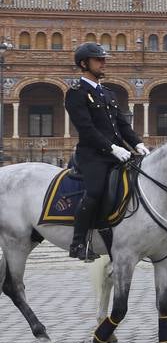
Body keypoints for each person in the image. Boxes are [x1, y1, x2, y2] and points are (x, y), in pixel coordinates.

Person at [64, 42, 148, 261]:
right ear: (84, 64)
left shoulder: (108, 93)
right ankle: (78, 242)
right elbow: (86, 128)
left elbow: (122, 125)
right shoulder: (76, 93)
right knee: (95, 192)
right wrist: (111, 148)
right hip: (93, 155)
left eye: (104, 59)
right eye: (98, 59)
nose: (103, 63)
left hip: (118, 153)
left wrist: (137, 144)